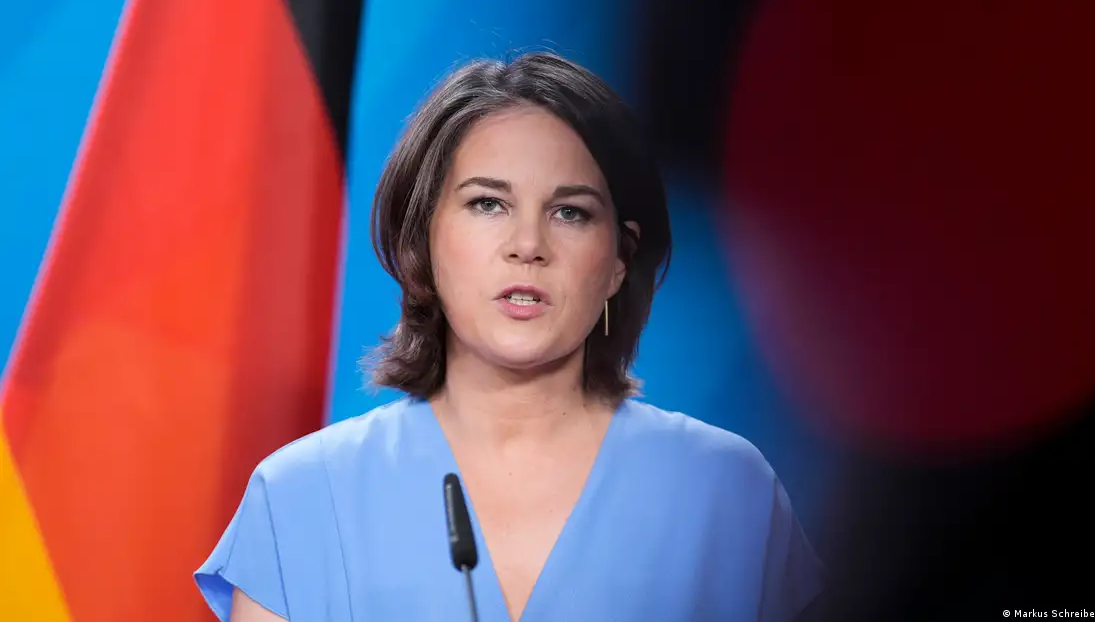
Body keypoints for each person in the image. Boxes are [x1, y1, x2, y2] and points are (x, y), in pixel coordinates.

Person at [194, 51, 823, 622]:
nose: (528, 245)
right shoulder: (303, 496)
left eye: (570, 212)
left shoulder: (728, 492)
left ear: (619, 261)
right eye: (488, 204)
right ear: (423, 241)